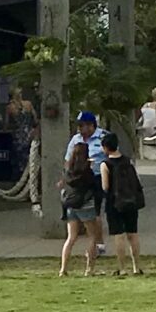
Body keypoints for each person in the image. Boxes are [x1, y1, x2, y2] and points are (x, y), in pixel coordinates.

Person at [57, 114, 105, 278]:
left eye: (83, 125)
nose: (80, 130)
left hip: (71, 200)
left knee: (71, 236)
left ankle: (63, 269)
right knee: (91, 234)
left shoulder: (103, 136)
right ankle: (89, 268)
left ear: (92, 125)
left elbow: (68, 165)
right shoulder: (88, 172)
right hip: (86, 198)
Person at [100, 129, 149, 276]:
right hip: (131, 202)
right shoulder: (128, 161)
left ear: (106, 147)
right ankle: (136, 266)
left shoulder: (105, 164)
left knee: (119, 236)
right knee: (133, 234)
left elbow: (105, 186)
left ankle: (122, 268)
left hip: (114, 204)